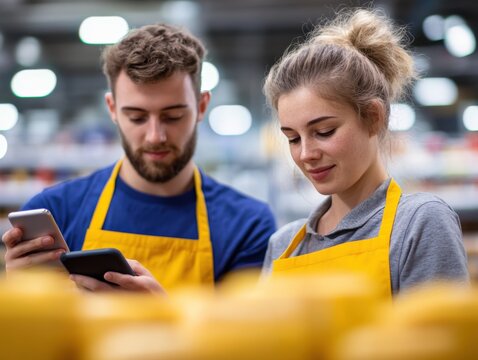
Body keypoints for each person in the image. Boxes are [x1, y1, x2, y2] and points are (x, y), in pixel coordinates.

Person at [2, 23, 277, 293]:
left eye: (173, 116)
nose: (155, 136)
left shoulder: (246, 225)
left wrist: (161, 315)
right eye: (137, 117)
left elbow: (243, 336)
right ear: (112, 108)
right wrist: (21, 294)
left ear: (202, 106)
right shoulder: (57, 211)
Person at [260, 8, 469, 297]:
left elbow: (440, 339)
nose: (305, 154)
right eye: (293, 138)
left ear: (373, 117)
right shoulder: (283, 246)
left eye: (324, 132)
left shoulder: (417, 223)